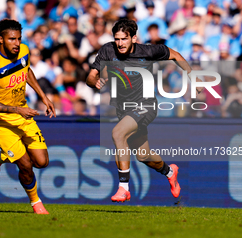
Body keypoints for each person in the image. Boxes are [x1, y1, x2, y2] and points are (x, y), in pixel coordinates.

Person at [86, 19, 202, 202]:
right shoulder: (107, 50)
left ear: (134, 38)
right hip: (123, 108)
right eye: (117, 39)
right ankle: (170, 171)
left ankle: (123, 188)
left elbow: (176, 56)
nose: (120, 43)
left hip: (146, 104)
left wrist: (193, 77)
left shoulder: (148, 51)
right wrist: (95, 82)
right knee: (143, 155)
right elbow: (91, 77)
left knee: (118, 133)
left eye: (124, 39)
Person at [0, 19, 56, 214]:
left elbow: (27, 70)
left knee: (42, 162)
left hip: (22, 113)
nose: (17, 43)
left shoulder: (23, 50)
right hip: (0, 121)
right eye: (12, 39)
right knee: (25, 165)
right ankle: (36, 204)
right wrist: (16, 110)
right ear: (0, 39)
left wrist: (44, 97)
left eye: (19, 39)